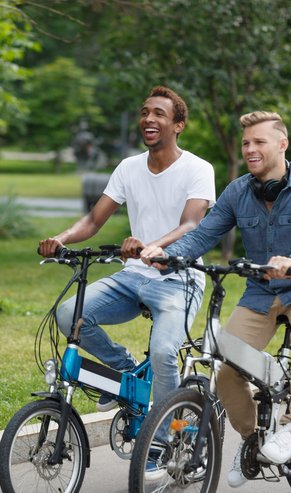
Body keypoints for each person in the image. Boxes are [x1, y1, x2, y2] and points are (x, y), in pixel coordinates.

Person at [145, 111, 291, 488]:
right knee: (227, 368)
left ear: (282, 144)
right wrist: (168, 257)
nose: (250, 148)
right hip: (260, 293)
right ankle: (253, 441)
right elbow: (203, 235)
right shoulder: (238, 191)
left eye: (259, 142)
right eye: (246, 142)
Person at [38, 86, 216, 418]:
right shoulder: (128, 168)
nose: (148, 118)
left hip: (180, 279)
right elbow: (93, 220)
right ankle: (126, 370)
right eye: (144, 112)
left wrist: (154, 246)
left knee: (164, 354)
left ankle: (162, 441)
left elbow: (192, 224)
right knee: (68, 315)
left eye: (159, 114)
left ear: (178, 125)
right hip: (134, 275)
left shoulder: (198, 169)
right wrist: (60, 239)